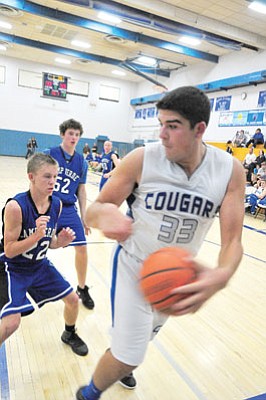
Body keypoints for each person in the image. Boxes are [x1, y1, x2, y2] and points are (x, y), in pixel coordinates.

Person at [76, 86, 245, 400]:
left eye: (172, 126)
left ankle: (124, 356)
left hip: (175, 275)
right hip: (134, 267)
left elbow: (233, 240)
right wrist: (104, 216)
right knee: (130, 354)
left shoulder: (229, 171)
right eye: (161, 124)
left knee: (140, 340)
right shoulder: (142, 158)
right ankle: (88, 394)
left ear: (200, 130)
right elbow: (94, 209)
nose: (162, 134)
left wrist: (222, 275)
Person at [0, 153, 88, 356]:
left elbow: (49, 243)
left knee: (74, 300)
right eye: (47, 177)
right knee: (12, 323)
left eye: (55, 177)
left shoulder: (55, 204)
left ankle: (69, 334)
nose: (53, 182)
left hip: (39, 265)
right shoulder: (15, 207)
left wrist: (60, 242)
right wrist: (36, 236)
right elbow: (9, 250)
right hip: (14, 268)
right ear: (31, 177)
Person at [44, 119, 94, 310]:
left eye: (77, 134)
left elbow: (81, 190)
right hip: (48, 206)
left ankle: (82, 287)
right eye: (70, 133)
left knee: (82, 247)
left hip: (67, 208)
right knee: (38, 245)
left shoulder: (81, 161)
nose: (73, 137)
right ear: (62, 134)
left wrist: (84, 216)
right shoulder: (49, 154)